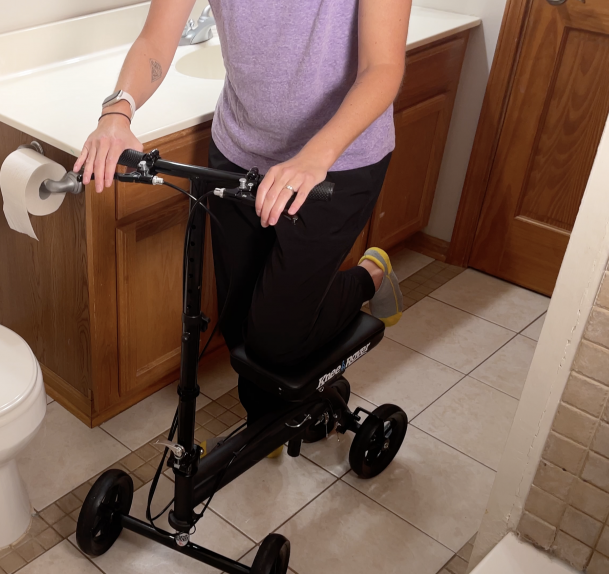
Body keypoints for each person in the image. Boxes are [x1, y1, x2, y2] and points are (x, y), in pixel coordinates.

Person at [73, 0, 410, 430]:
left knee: (274, 338)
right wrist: (117, 112)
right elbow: (156, 40)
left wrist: (312, 158)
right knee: (238, 324)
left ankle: (370, 277)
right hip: (241, 151)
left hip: (337, 162)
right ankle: (269, 420)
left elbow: (382, 68)